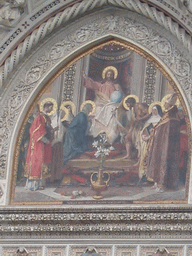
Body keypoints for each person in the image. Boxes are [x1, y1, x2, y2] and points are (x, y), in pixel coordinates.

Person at [146, 93, 180, 192]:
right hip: (160, 143)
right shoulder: (167, 114)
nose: (164, 104)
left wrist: (155, 131)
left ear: (169, 104)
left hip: (166, 144)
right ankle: (157, 182)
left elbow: (165, 129)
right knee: (158, 160)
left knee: (163, 161)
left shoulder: (171, 115)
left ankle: (162, 184)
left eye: (166, 102)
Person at [83, 66, 124, 144]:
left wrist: (117, 103)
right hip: (101, 104)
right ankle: (98, 135)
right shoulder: (101, 86)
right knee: (96, 111)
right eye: (108, 74)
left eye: (111, 74)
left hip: (111, 105)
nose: (109, 76)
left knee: (111, 112)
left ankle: (110, 137)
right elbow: (92, 84)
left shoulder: (116, 86)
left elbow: (120, 97)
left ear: (114, 76)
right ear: (105, 75)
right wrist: (86, 78)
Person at [24, 99, 56, 191]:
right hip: (38, 144)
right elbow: (34, 131)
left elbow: (49, 128)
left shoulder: (47, 117)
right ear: (47, 107)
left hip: (45, 145)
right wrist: (44, 139)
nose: (51, 109)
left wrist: (52, 132)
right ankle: (33, 185)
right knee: (37, 163)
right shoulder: (39, 117)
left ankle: (41, 184)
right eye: (51, 107)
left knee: (44, 163)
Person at [63, 101, 94, 165]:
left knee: (71, 148)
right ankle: (66, 161)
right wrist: (88, 121)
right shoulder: (82, 115)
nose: (91, 111)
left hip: (74, 133)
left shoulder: (83, 115)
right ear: (87, 108)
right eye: (91, 108)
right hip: (73, 134)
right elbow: (82, 126)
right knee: (72, 149)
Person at [138, 104, 163, 180]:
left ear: (158, 111)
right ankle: (144, 176)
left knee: (152, 159)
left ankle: (152, 178)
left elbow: (160, 133)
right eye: (152, 110)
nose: (154, 111)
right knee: (145, 158)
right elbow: (144, 130)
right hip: (147, 143)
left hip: (155, 143)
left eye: (155, 110)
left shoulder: (161, 120)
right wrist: (143, 136)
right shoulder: (149, 120)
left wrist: (150, 137)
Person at [17, 104, 40, 182]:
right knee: (24, 158)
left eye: (38, 111)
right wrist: (25, 141)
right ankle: (21, 175)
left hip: (32, 142)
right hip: (26, 141)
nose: (37, 112)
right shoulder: (28, 120)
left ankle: (28, 175)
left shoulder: (36, 119)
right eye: (36, 111)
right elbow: (25, 131)